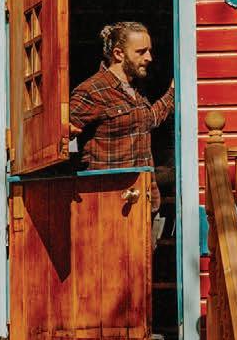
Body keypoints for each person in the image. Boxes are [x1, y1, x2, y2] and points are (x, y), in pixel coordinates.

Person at [69, 21, 174, 215]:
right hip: (108, 201)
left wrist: (173, 92)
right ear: (118, 54)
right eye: (141, 52)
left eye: (149, 51)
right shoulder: (92, 91)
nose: (149, 58)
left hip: (142, 197)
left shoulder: (136, 89)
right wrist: (66, 132)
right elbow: (58, 134)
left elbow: (149, 120)